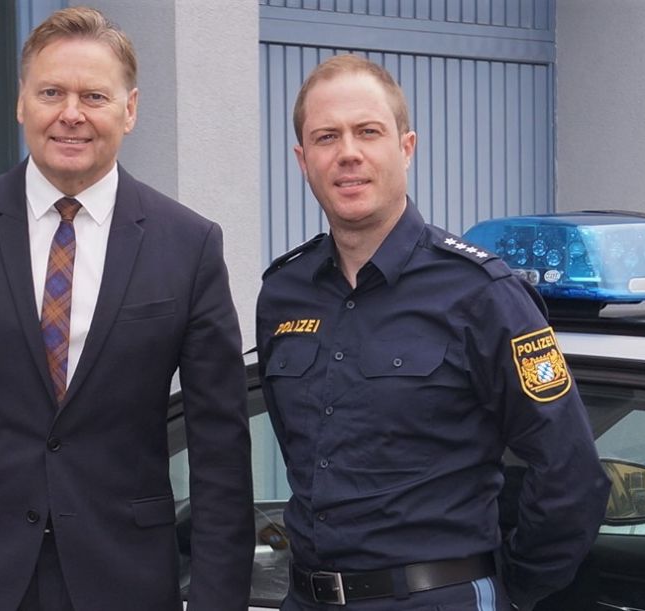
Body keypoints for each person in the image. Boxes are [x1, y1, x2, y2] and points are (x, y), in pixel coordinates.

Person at [0, 7, 254, 611]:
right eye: (51, 92)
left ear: (129, 109)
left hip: (124, 583)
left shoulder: (189, 245)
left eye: (94, 95)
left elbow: (221, 456)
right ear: (23, 103)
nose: (71, 113)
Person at [256, 54, 610, 611]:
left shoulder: (483, 293)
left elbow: (571, 474)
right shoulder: (283, 293)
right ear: (304, 160)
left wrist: (511, 589)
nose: (348, 153)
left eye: (368, 132)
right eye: (326, 137)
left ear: (407, 146)